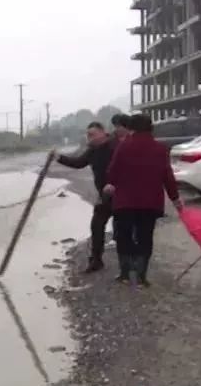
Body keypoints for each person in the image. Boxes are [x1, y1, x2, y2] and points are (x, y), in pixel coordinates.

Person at [103, 113, 182, 287]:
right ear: (151, 128)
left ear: (131, 128)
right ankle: (141, 277)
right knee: (145, 237)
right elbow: (167, 177)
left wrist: (111, 183)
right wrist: (175, 199)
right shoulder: (160, 149)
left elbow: (112, 172)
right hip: (150, 203)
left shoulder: (123, 147)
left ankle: (124, 274)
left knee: (124, 236)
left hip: (125, 202)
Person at [54, 116, 129, 273]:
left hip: (122, 193)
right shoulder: (93, 150)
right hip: (104, 196)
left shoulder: (116, 146)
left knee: (123, 228)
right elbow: (79, 163)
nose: (89, 137)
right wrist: (59, 158)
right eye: (88, 135)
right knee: (96, 225)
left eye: (92, 134)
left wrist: (116, 185)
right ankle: (96, 259)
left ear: (103, 133)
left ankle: (128, 265)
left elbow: (128, 168)